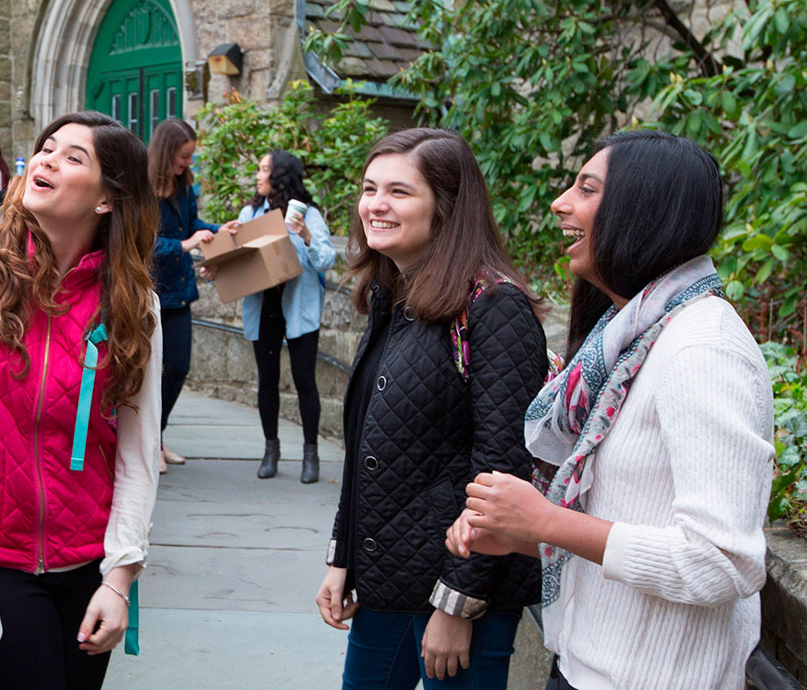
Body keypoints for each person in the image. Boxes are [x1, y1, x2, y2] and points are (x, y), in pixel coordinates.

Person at [447, 130, 774, 690]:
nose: (560, 204)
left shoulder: (702, 347)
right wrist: (524, 534)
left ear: (643, 211)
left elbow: (722, 561)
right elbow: (631, 517)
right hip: (585, 665)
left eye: (587, 188)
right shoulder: (628, 339)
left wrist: (548, 520)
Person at [0, 110, 162, 690]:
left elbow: (138, 449)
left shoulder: (133, 304)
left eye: (73, 156)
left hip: (86, 562)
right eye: (46, 148)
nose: (46, 159)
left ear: (107, 199)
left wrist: (118, 579)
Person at [315, 128, 544, 689]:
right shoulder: (392, 295)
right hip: (386, 581)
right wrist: (342, 554)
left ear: (447, 208)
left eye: (399, 191)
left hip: (461, 596)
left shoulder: (494, 307)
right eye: (370, 189)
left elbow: (501, 468)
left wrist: (458, 602)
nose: (375, 205)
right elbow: (369, 446)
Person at [205, 151, 335, 483]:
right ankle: (270, 450)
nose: (258, 176)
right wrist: (217, 263)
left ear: (281, 176)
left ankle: (311, 454)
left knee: (305, 380)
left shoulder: (308, 215)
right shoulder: (249, 214)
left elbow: (325, 261)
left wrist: (304, 234)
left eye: (265, 170)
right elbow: (237, 261)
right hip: (264, 307)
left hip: (299, 307)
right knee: (267, 379)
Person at [146, 118, 239, 473]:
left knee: (178, 367)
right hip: (151, 295)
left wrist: (218, 230)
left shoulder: (185, 187)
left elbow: (194, 226)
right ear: (168, 152)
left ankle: (159, 436)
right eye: (184, 156)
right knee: (149, 374)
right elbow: (142, 242)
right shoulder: (144, 189)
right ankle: (149, 444)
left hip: (180, 294)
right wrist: (186, 245)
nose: (188, 163)